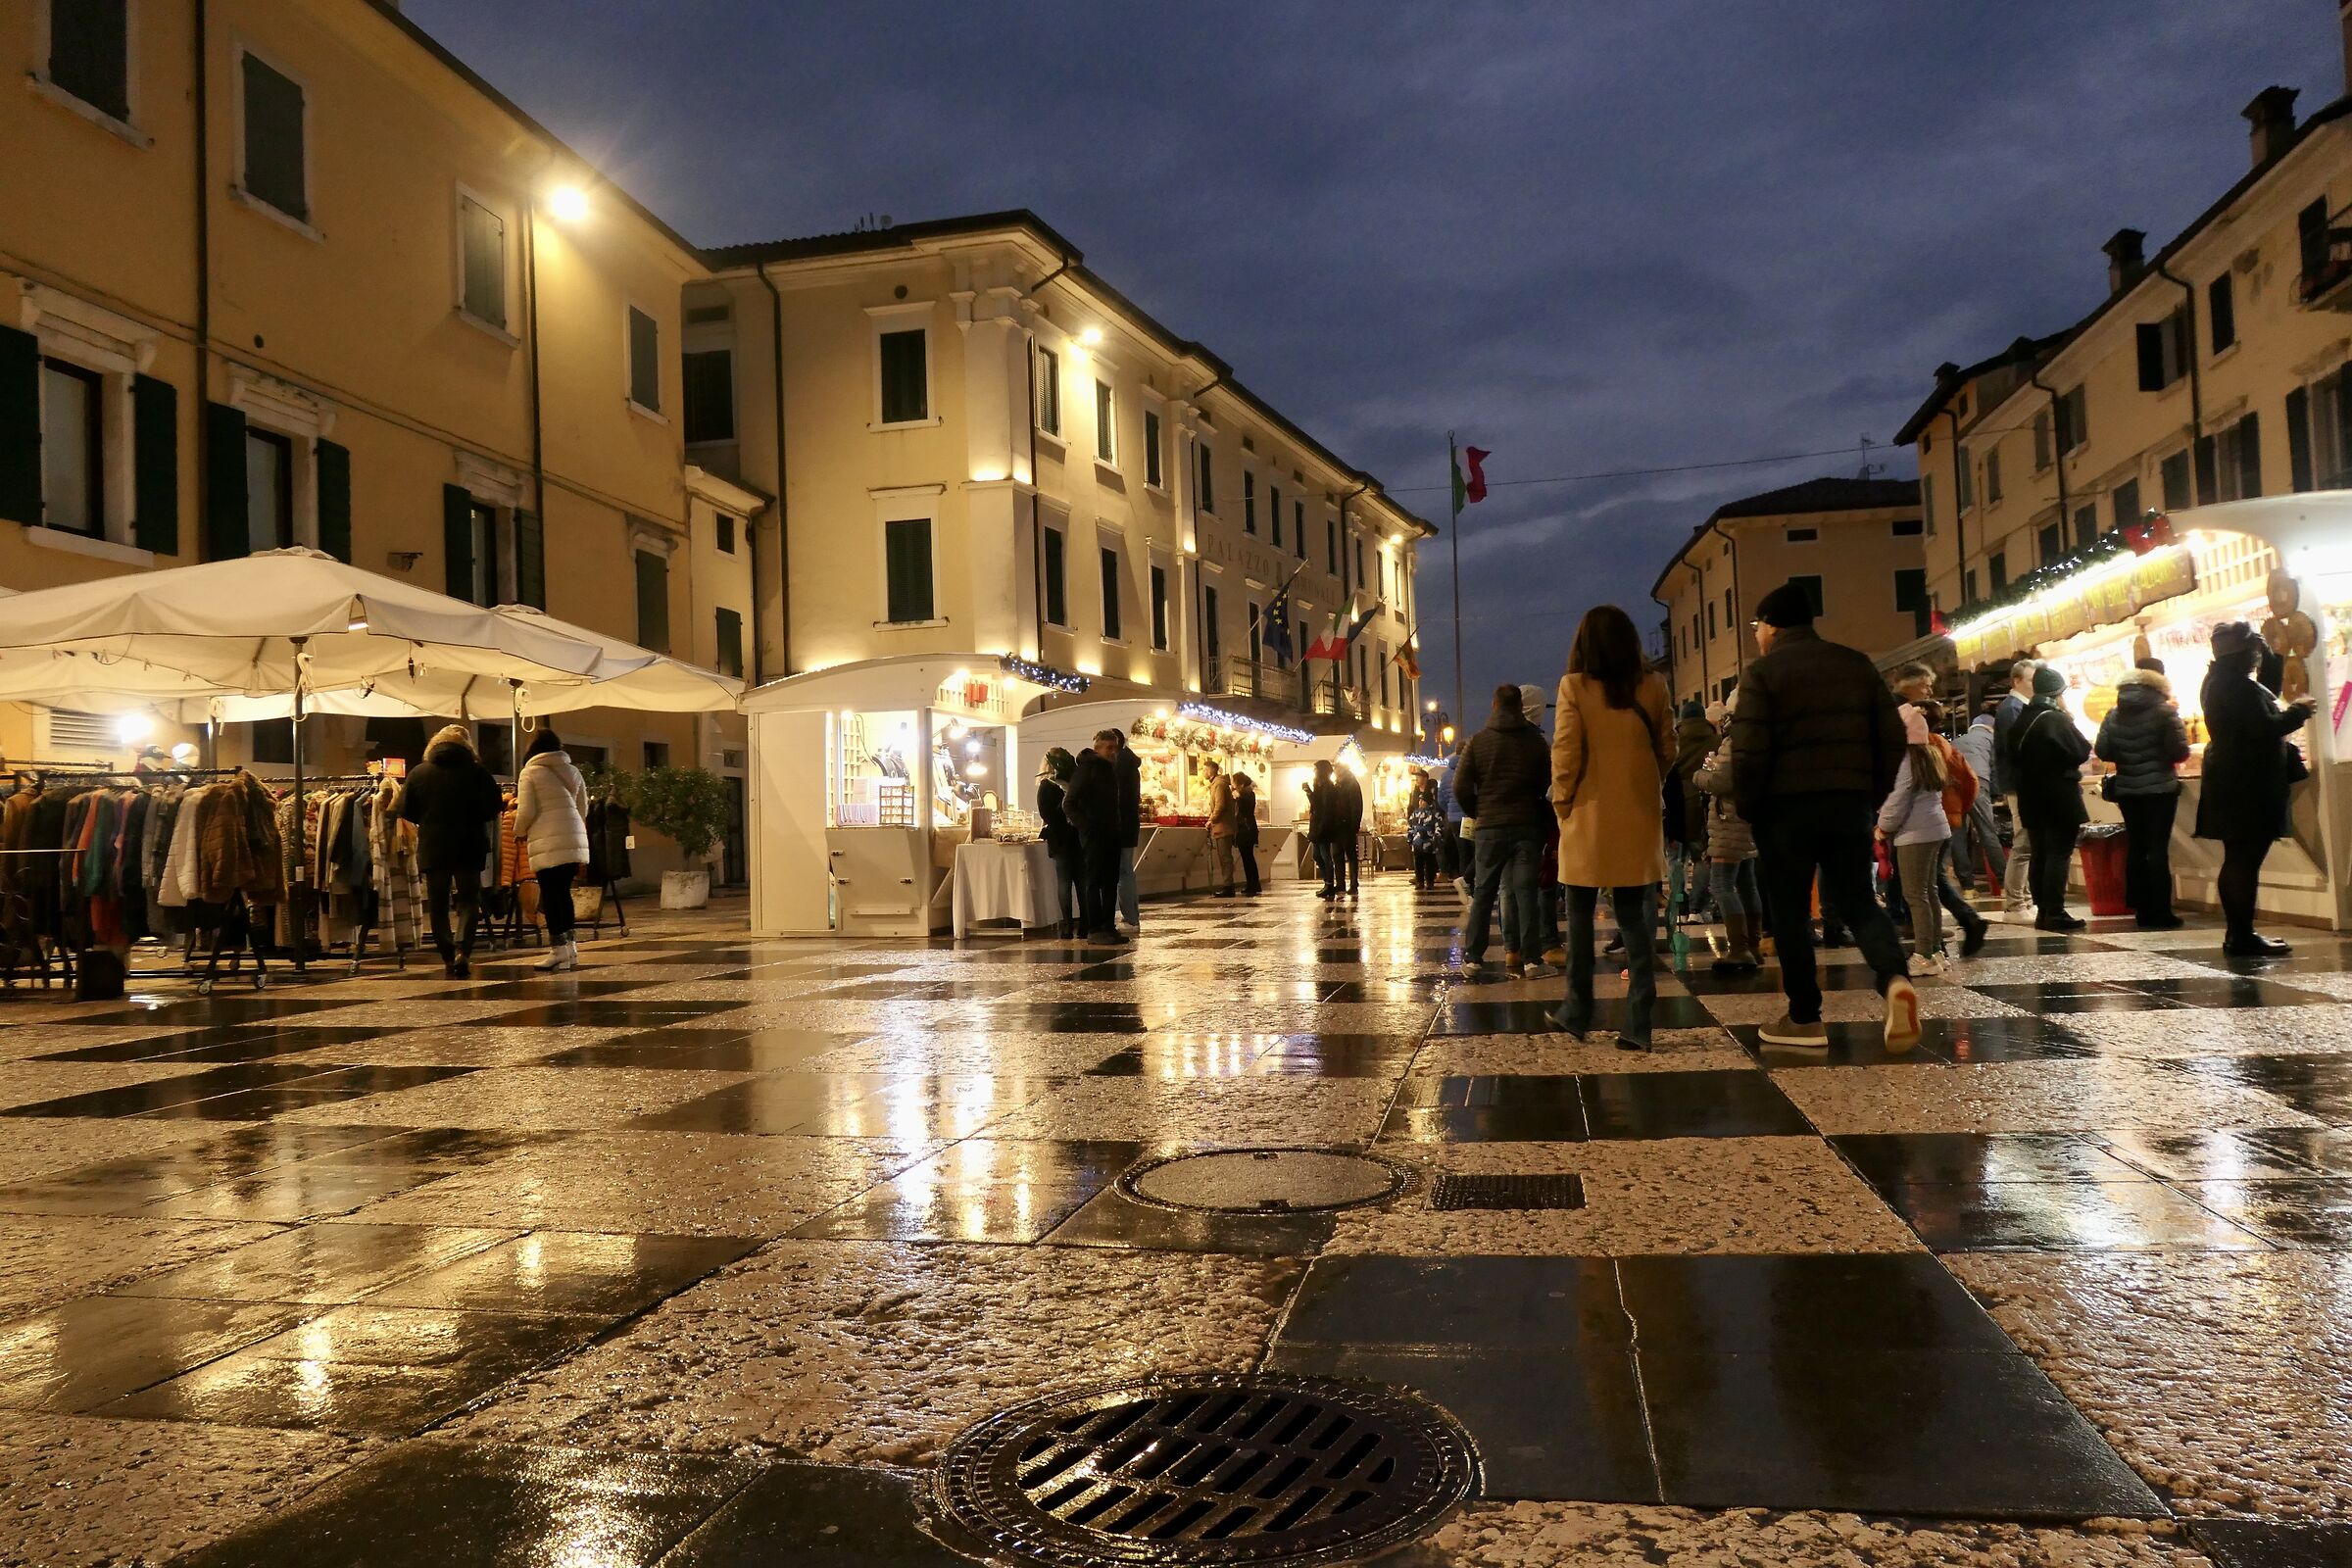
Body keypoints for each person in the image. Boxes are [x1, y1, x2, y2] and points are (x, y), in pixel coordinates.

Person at [1730, 579, 1920, 1052]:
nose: (1756, 635)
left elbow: (1749, 752)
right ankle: (1894, 977)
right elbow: (1892, 737)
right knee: (1858, 900)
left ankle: (1804, 1018)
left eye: (1757, 626)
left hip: (1785, 812)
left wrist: (1750, 807)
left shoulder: (1762, 673)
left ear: (1772, 626)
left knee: (1791, 911)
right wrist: (1870, 793)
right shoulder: (1855, 664)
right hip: (1848, 803)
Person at [1547, 607, 1674, 1047]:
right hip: (1638, 814)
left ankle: (1577, 1009)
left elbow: (1566, 753)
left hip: (1587, 814)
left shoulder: (1574, 686)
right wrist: (1646, 782)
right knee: (1635, 919)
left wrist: (1562, 803)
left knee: (1580, 915)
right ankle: (1638, 1021)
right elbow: (1668, 748)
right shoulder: (1654, 685)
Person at [2195, 621, 2318, 956]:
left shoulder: (2220, 681)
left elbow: (2265, 694)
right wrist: (2299, 711)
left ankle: (2238, 934)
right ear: (2244, 653)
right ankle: (2241, 935)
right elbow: (2263, 727)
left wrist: (2273, 654)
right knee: (2244, 860)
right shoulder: (2235, 686)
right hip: (2247, 784)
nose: (2256, 656)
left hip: (2231, 781)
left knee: (2239, 858)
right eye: (2254, 651)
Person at [1454, 682, 1555, 977]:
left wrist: (1478, 811)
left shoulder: (1478, 741)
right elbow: (1547, 784)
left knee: (1484, 891)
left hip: (1490, 827)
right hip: (1526, 826)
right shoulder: (1536, 742)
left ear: (1495, 705)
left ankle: (1473, 958)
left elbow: (1461, 786)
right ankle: (1532, 961)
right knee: (1526, 892)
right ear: (1520, 707)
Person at [398, 723, 503, 978]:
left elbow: (405, 809)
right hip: (470, 843)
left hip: (434, 845)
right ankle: (463, 951)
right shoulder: (478, 773)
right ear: (467, 747)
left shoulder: (419, 773)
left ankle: (447, 954)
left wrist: (428, 819)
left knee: (438, 903)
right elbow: (493, 807)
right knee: (468, 900)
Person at [2096, 658, 2192, 929]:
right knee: (2157, 849)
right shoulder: (2165, 712)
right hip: (2160, 789)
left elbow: (2103, 750)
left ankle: (2140, 908)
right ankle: (2161, 911)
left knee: (2137, 847)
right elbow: (2179, 751)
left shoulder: (2114, 714)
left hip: (2128, 790)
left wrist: (2128, 758)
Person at [2007, 665, 2092, 930]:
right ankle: (2055, 911)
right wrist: (2069, 719)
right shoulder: (2055, 719)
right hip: (2059, 796)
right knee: (2059, 853)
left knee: (2040, 853)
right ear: (2057, 693)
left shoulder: (2022, 719)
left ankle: (2043, 911)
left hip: (2030, 797)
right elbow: (2080, 750)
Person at [1877, 705, 1954, 975]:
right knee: (1929, 891)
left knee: (1915, 895)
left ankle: (1924, 956)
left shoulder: (1905, 760)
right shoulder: (1928, 754)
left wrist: (1883, 828)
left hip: (1915, 834)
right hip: (1934, 829)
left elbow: (1897, 799)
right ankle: (1935, 950)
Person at [1918, 700, 1992, 957]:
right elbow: (1970, 781)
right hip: (1945, 819)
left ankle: (1937, 938)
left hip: (1921, 823)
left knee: (1924, 882)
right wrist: (1958, 809)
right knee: (1933, 877)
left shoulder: (1919, 748)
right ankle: (1962, 923)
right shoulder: (1945, 746)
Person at [514, 728, 591, 972]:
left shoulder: (530, 772)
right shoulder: (573, 771)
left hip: (547, 842)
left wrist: (518, 831)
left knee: (550, 895)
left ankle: (558, 951)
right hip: (573, 840)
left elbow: (526, 811)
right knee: (564, 894)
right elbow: (583, 808)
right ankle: (571, 949)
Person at [1693, 727, 1760, 974]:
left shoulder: (1735, 741)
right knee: (1747, 884)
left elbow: (1722, 781)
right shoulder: (1755, 736)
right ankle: (1752, 945)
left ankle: (1739, 949)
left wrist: (1700, 776)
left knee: (1721, 884)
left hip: (1729, 821)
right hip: (1745, 819)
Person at [1062, 730, 1125, 943]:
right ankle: (1095, 929)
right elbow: (1069, 803)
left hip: (1111, 833)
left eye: (1115, 748)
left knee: (1110, 882)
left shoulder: (1109, 770)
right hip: (1094, 835)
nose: (1113, 752)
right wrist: (1086, 827)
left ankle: (1108, 926)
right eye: (1109, 748)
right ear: (1097, 748)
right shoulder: (1087, 769)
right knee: (1094, 881)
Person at [1991, 660, 2039, 918]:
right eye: (2031, 680)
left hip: (2021, 783)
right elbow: (2018, 748)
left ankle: (2025, 900)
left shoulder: (2020, 706)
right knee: (2023, 842)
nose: (2035, 685)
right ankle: (2016, 903)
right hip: (2019, 784)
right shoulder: (2012, 708)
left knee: (2027, 842)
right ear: (2017, 681)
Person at [1667, 698, 1718, 922]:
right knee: (1702, 857)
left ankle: (1680, 905)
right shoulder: (1715, 741)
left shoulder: (1673, 741)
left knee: (1675, 858)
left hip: (1675, 806)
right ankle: (1697, 908)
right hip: (1703, 806)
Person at [1950, 703, 2008, 891]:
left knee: (1957, 836)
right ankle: (2004, 883)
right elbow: (1995, 768)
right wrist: (1997, 795)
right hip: (1977, 782)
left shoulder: (1957, 741)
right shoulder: (1991, 738)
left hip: (1952, 786)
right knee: (1987, 832)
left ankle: (1967, 888)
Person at [1035, 748, 1081, 939]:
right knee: (1082, 881)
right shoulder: (1073, 782)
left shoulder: (1045, 785)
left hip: (1059, 838)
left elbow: (1045, 814)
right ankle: (1085, 924)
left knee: (1064, 882)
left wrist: (1057, 822)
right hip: (1077, 835)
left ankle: (1067, 925)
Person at [1112, 730, 1144, 932]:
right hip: (1131, 823)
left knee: (1122, 872)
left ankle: (1130, 917)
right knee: (1127, 871)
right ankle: (1133, 915)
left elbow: (1118, 797)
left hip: (1120, 824)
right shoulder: (1132, 764)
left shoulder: (1119, 765)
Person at [1307, 760, 1345, 899]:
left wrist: (1321, 827)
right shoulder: (1320, 786)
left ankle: (1329, 884)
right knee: (1317, 855)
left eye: (1316, 769)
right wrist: (1309, 793)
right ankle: (1327, 882)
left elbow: (1325, 809)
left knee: (1324, 855)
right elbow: (1316, 805)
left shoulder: (1328, 788)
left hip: (1324, 827)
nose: (1314, 772)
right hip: (1318, 825)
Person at [1204, 759, 1240, 898]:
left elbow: (1220, 805)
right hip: (1223, 826)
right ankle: (1228, 885)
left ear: (1210, 771)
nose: (1203, 772)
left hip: (1223, 827)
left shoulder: (1218, 785)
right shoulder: (1219, 784)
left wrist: (1211, 820)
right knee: (1224, 857)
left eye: (1205, 770)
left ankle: (1228, 886)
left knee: (1225, 858)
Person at [1405, 772, 1444, 891]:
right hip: (1417, 842)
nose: (1420, 802)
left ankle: (1429, 881)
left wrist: (1437, 836)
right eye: (1420, 801)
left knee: (1429, 863)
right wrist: (1410, 838)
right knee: (1418, 863)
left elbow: (1438, 825)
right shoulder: (1415, 814)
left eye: (1423, 801)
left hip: (1429, 842)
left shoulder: (1433, 813)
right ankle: (1420, 881)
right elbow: (1411, 826)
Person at [1334, 761, 1365, 896]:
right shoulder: (1338, 784)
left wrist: (1354, 825)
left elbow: (1356, 806)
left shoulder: (1351, 784)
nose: (1335, 771)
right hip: (1337, 826)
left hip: (1347, 826)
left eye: (1337, 768)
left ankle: (1353, 884)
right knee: (1337, 855)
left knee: (1351, 855)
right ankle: (1340, 883)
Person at [1232, 771, 1262, 896]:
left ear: (1241, 784)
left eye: (1234, 782)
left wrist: (1237, 797)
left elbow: (1245, 810)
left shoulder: (1247, 795)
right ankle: (1254, 883)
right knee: (1248, 858)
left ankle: (1252, 884)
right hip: (1247, 829)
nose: (1232, 785)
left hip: (1246, 830)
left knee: (1247, 858)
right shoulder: (1248, 794)